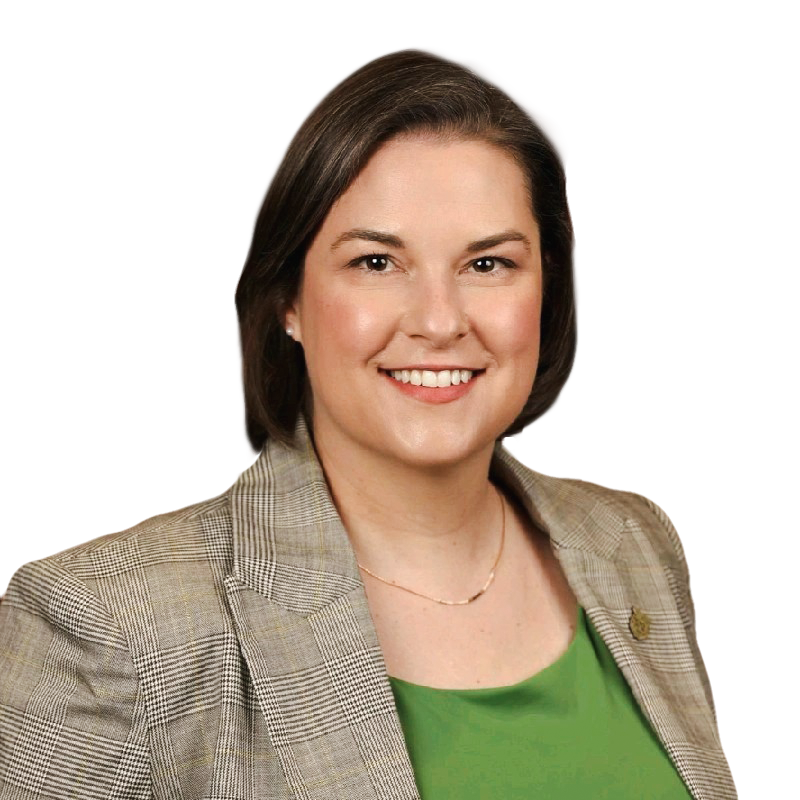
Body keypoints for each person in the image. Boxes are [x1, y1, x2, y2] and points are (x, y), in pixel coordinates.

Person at [0, 47, 747, 799]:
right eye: (375, 263)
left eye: (487, 265)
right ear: (288, 298)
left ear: (546, 291)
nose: (438, 321)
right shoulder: (104, 624)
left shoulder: (632, 545)